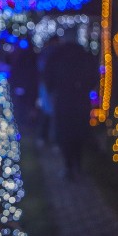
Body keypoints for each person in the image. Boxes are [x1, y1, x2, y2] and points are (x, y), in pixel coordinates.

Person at [42, 35, 99, 180]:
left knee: (65, 132)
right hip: (80, 99)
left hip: (63, 99)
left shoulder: (57, 55)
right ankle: (77, 165)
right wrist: (84, 87)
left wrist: (53, 90)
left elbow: (48, 76)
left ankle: (68, 166)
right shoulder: (85, 55)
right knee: (78, 132)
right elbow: (94, 77)